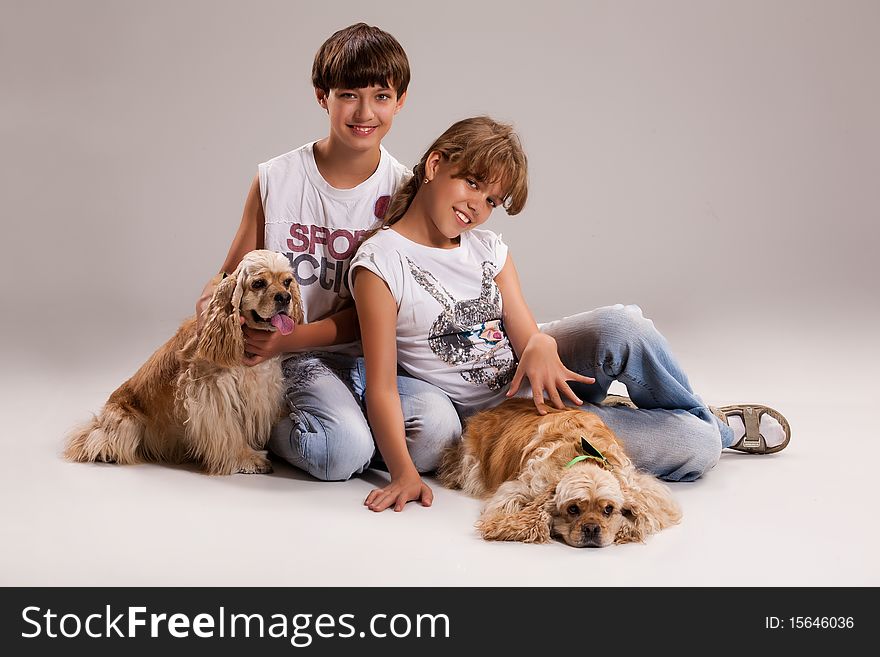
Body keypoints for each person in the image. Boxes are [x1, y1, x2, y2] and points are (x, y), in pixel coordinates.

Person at [349, 116, 791, 513]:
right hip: (501, 419)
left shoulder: (488, 250)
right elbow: (383, 386)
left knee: (623, 326)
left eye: (491, 200)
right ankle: (713, 428)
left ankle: (699, 412)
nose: (476, 206)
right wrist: (403, 473)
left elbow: (525, 331)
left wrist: (539, 344)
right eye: (471, 183)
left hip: (538, 377)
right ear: (434, 165)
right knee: (697, 445)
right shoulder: (382, 263)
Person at [195, 23, 464, 482]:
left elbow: (396, 308)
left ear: (401, 101)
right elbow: (230, 274)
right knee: (339, 453)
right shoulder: (276, 179)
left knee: (439, 435)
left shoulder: (404, 192)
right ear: (323, 96)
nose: (364, 111)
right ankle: (265, 424)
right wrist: (211, 308)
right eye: (348, 95)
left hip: (372, 357)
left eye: (381, 96)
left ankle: (351, 426)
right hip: (288, 359)